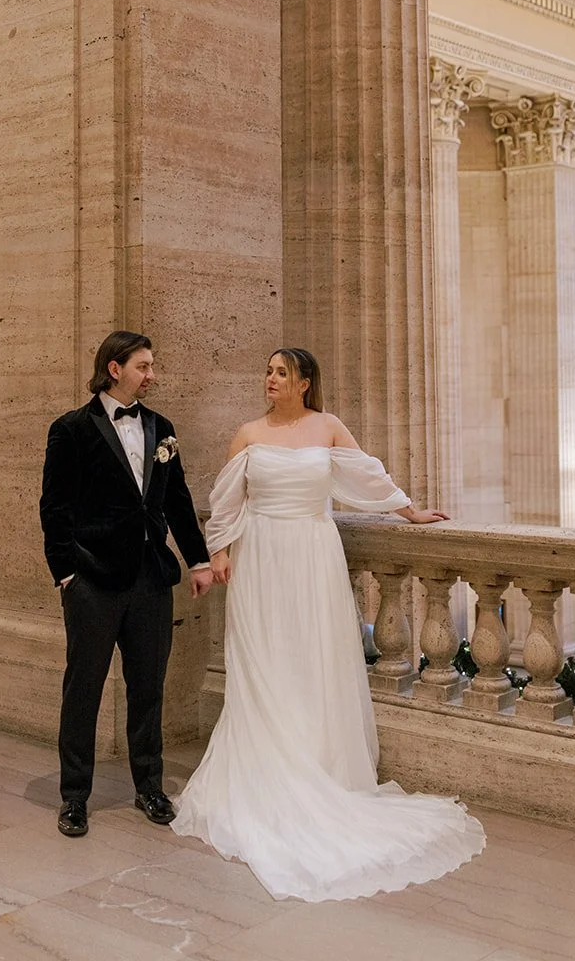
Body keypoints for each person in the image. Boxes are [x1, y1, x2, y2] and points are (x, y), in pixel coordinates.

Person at [170, 346, 485, 901]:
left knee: (314, 658)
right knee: (266, 660)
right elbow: (227, 501)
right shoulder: (248, 434)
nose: (270, 379)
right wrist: (219, 551)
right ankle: (270, 772)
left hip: (314, 553)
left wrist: (410, 511)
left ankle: (320, 767)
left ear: (305, 383)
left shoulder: (328, 426)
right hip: (261, 556)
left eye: (282, 372)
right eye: (268, 370)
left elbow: (369, 478)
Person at [40, 330, 213, 838]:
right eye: (144, 366)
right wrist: (66, 573)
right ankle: (75, 797)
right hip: (92, 580)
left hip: (151, 579)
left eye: (151, 365)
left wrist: (198, 560)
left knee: (148, 688)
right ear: (114, 369)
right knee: (84, 689)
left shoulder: (161, 428)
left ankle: (150, 787)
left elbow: (177, 500)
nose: (152, 375)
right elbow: (55, 508)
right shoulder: (71, 429)